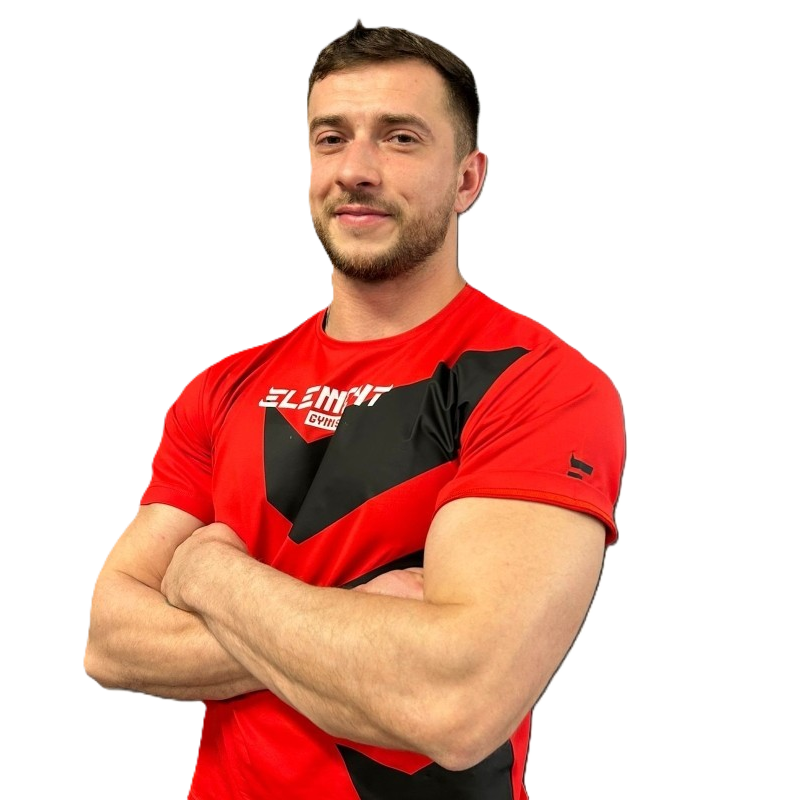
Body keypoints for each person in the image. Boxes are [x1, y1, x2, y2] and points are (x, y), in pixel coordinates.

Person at [83, 18, 626, 800]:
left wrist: (209, 572)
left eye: (401, 139)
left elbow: (456, 702)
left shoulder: (538, 384)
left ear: (467, 179)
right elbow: (109, 638)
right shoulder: (223, 387)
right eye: (331, 138)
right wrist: (364, 631)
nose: (356, 170)